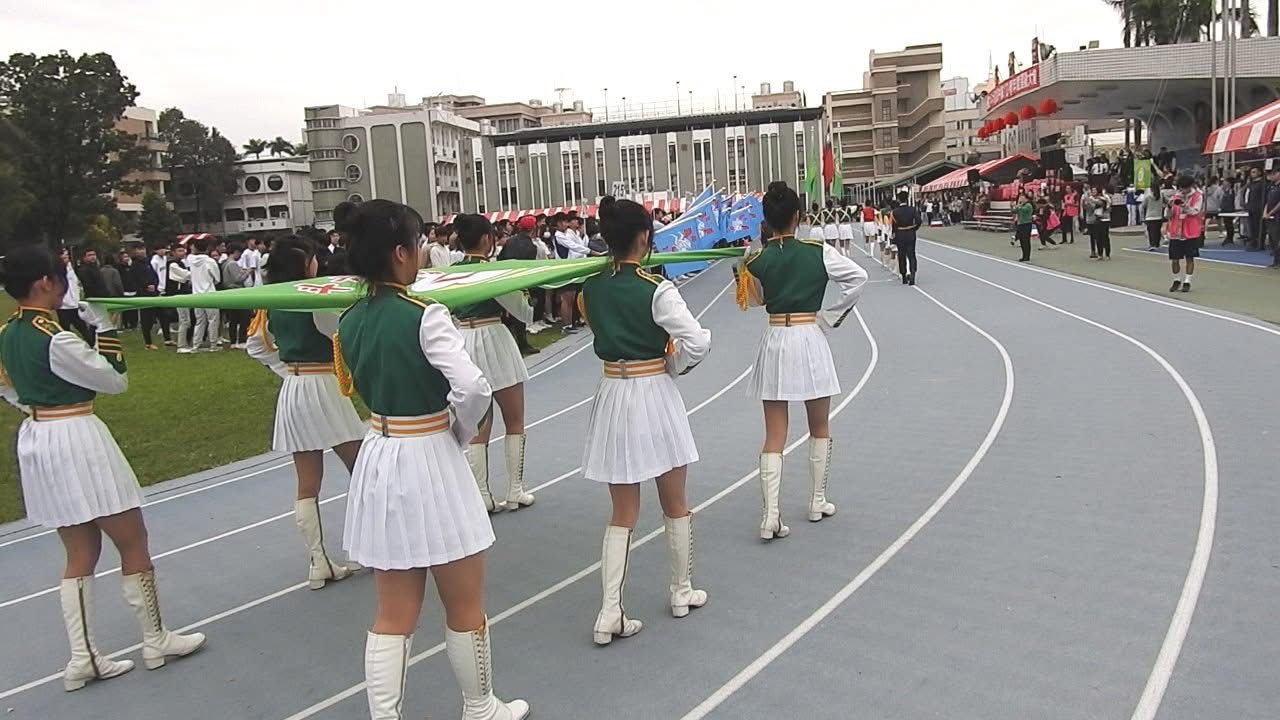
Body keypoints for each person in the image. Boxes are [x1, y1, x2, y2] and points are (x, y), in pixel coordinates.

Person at [332, 199, 527, 720]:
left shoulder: (349, 319)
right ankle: (480, 707)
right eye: (417, 245)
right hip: (428, 453)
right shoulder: (425, 315)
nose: (421, 253)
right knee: (464, 602)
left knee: (393, 611)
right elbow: (473, 388)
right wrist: (457, 432)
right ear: (399, 253)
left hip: (380, 451)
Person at [0, 245, 205, 692]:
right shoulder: (55, 337)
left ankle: (84, 657)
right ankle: (155, 639)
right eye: (62, 276)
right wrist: (106, 327)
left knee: (79, 551)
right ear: (45, 282)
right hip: (76, 435)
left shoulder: (6, 333)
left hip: (39, 435)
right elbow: (114, 379)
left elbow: (9, 391)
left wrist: (41, 406)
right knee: (132, 538)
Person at [579, 198, 711, 646]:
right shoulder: (656, 289)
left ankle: (608, 612)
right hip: (653, 391)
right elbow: (696, 342)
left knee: (622, 511)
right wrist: (675, 365)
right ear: (643, 237)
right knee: (675, 500)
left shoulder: (591, 288)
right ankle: (681, 591)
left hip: (612, 393)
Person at [736, 181, 868, 540]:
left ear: (766, 219)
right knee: (819, 424)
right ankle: (817, 500)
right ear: (797, 216)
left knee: (774, 433)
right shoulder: (818, 251)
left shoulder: (755, 259)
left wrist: (749, 263)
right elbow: (858, 277)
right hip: (809, 336)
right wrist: (829, 317)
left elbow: (758, 301)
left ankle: (770, 516)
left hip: (775, 338)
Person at [246, 236, 367, 589]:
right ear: (304, 262)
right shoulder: (312, 296)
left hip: (295, 388)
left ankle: (318, 562)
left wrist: (287, 370)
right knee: (362, 468)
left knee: (307, 482)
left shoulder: (271, 301)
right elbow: (342, 334)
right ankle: (366, 548)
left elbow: (256, 346)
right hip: (322, 385)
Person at [450, 214, 537, 513]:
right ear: (487, 239)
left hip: (463, 340)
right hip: (494, 338)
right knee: (514, 419)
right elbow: (523, 312)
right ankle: (515, 490)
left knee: (476, 423)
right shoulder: (495, 271)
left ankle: (482, 496)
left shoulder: (450, 272)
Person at [499, 216, 541, 355]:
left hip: (507, 279)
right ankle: (522, 344)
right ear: (533, 229)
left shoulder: (510, 241)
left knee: (508, 314)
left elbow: (500, 259)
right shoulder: (531, 247)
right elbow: (529, 269)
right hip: (521, 283)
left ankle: (511, 343)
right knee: (520, 315)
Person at [553, 212, 592, 334]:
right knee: (566, 298)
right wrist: (590, 251)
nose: (566, 224)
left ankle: (571, 322)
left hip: (570, 267)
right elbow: (573, 246)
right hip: (564, 268)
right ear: (559, 223)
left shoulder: (566, 234)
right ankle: (566, 325)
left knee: (571, 297)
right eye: (564, 222)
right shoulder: (559, 236)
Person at [1166, 174, 1203, 292]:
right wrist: (1169, 206)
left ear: (1190, 186)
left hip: (1190, 232)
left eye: (1185, 188)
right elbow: (1168, 216)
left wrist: (1184, 205)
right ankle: (1176, 280)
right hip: (1176, 232)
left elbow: (1195, 212)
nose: (1183, 190)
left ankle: (1187, 281)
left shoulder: (1197, 196)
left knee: (1190, 258)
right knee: (1174, 259)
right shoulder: (1176, 196)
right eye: (1181, 188)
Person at [185, 236, 222, 352]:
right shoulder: (210, 261)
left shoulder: (190, 260)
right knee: (213, 320)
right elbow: (217, 279)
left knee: (199, 321)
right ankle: (213, 344)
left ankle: (196, 344)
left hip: (196, 294)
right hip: (210, 293)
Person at [220, 243, 251, 348]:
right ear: (236, 252)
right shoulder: (232, 264)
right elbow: (238, 279)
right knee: (244, 317)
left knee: (233, 318)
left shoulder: (224, 263)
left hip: (228, 291)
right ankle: (241, 340)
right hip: (235, 291)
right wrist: (247, 273)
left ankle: (233, 341)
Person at [165, 244, 193, 351]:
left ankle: (184, 343)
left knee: (186, 320)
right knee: (184, 320)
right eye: (179, 251)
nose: (182, 253)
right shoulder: (172, 264)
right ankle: (181, 345)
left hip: (184, 293)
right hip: (179, 294)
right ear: (173, 252)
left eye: (183, 250)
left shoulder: (181, 263)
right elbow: (184, 275)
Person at [890, 191, 921, 285]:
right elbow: (919, 221)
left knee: (901, 255)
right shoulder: (912, 210)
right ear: (907, 199)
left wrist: (894, 235)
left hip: (900, 234)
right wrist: (914, 228)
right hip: (910, 233)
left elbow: (893, 226)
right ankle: (912, 274)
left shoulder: (895, 212)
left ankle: (903, 275)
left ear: (899, 200)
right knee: (911, 254)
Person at [1083, 186, 1111, 260]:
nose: (1093, 192)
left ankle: (1107, 254)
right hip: (1097, 219)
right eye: (1092, 190)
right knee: (1098, 237)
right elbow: (1091, 207)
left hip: (1105, 219)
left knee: (1105, 237)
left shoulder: (1103, 198)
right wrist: (1087, 202)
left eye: (1094, 190)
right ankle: (1100, 254)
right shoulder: (1093, 199)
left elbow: (1100, 203)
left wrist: (1090, 199)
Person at [1141, 184, 1167, 251]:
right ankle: (1156, 244)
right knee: (1157, 231)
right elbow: (1168, 201)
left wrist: (1142, 217)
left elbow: (1143, 206)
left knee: (1151, 232)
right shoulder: (1161, 195)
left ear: (1151, 189)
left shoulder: (1148, 197)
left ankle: (1152, 245)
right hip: (1159, 216)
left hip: (1149, 217)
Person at [1263, 166, 1280, 267]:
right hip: (1270, 217)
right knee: (1272, 238)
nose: (1272, 176)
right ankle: (1276, 261)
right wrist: (1265, 212)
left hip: (1277, 215)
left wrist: (1271, 213)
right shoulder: (1271, 186)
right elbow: (1268, 201)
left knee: (1278, 239)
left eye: (1274, 173)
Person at [1012, 192, 1035, 262]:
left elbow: (1024, 210)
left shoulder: (1028, 205)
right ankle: (1024, 255)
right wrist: (1015, 206)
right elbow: (1014, 211)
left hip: (1026, 224)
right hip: (1020, 224)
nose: (1020, 199)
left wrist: (1019, 206)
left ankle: (1027, 256)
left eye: (1022, 197)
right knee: (1022, 241)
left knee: (1026, 240)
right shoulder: (1021, 205)